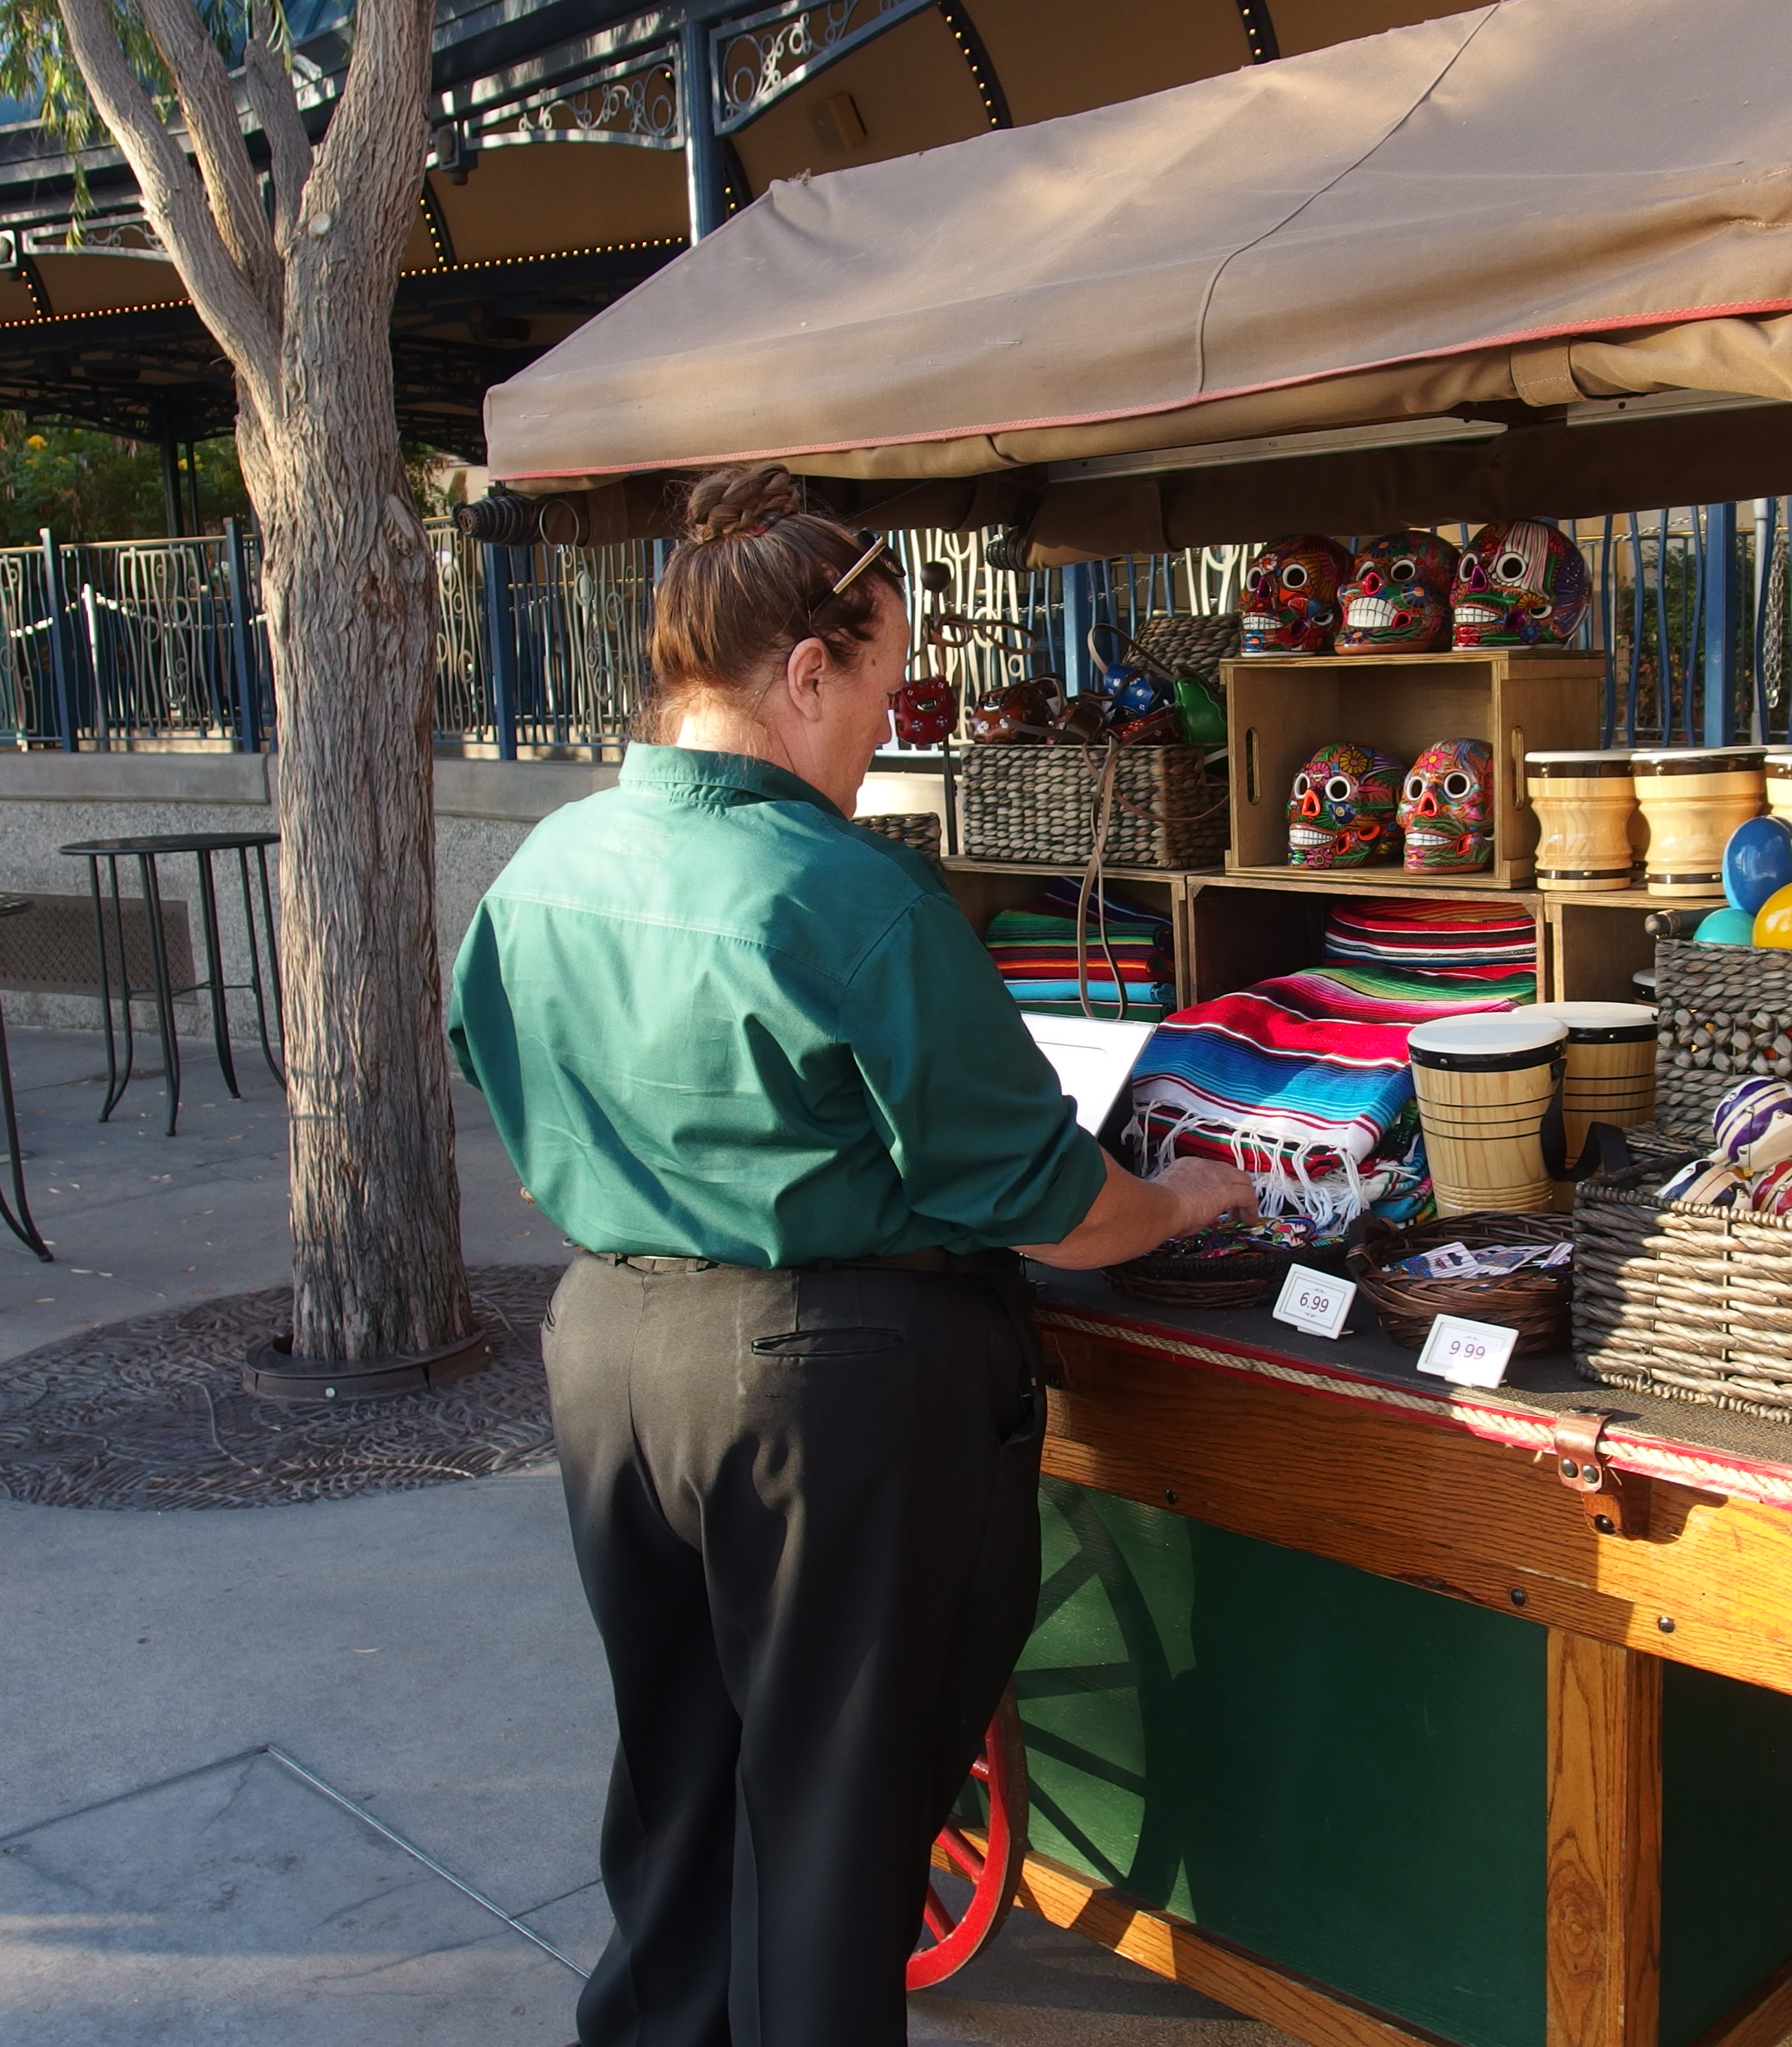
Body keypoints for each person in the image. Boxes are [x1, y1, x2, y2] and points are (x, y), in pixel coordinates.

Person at [447, 464, 1255, 2047]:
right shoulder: (847, 891)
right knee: (829, 1832)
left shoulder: (546, 865)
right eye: (883, 687)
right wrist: (1179, 1200)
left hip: (608, 1353)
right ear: (807, 673)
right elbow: (1050, 1203)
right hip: (828, 1391)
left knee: (676, 1787)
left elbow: (503, 1074)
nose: (889, 726)